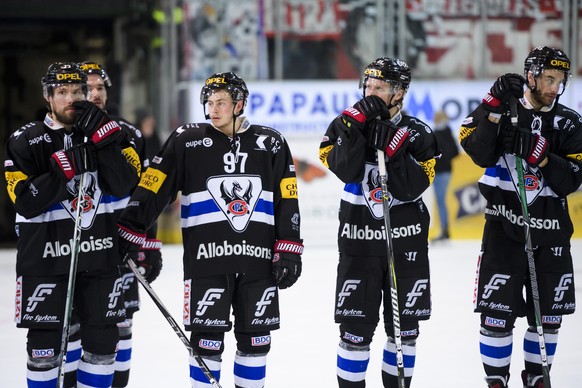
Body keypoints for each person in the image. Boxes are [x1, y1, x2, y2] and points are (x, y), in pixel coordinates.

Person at [116, 71, 303, 387]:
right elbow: (154, 185)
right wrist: (132, 229)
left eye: (221, 102)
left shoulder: (270, 142)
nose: (213, 109)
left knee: (256, 342)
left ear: (239, 104)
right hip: (207, 263)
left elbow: (288, 197)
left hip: (258, 263)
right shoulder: (187, 140)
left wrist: (289, 246)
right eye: (209, 102)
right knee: (206, 343)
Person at [4, 62, 140, 387]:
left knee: (103, 346)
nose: (71, 98)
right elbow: (24, 200)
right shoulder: (25, 141)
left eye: (77, 91)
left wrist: (103, 140)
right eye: (62, 92)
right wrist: (62, 170)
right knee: (44, 352)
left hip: (99, 259)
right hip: (46, 263)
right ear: (47, 96)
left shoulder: (107, 135)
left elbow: (124, 184)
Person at [459, 46, 581, 388]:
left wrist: (540, 155)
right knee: (497, 316)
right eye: (548, 78)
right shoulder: (503, 110)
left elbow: (571, 179)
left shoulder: (570, 122)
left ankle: (537, 378)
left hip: (552, 232)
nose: (554, 87)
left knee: (548, 318)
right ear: (530, 75)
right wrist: (492, 105)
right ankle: (496, 380)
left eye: (560, 80)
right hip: (503, 229)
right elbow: (478, 153)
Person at [319, 57, 438, 387]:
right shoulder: (343, 124)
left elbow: (413, 187)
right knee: (354, 333)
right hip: (358, 244)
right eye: (367, 86)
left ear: (399, 93)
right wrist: (356, 129)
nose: (370, 93)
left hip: (407, 245)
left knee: (405, 333)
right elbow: (345, 169)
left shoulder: (419, 133)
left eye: (379, 88)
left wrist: (395, 149)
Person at [78, 61, 163, 388]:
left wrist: (148, 243)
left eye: (100, 88)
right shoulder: (60, 134)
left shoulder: (129, 134)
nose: (95, 93)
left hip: (119, 247)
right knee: (72, 330)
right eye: (88, 88)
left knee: (121, 325)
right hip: (76, 248)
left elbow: (146, 194)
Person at [431, 110, 459, 242]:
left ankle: (444, 229)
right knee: (440, 200)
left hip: (442, 171)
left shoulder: (442, 133)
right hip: (440, 171)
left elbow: (453, 152)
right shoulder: (439, 132)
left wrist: (441, 159)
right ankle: (444, 228)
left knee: (441, 200)